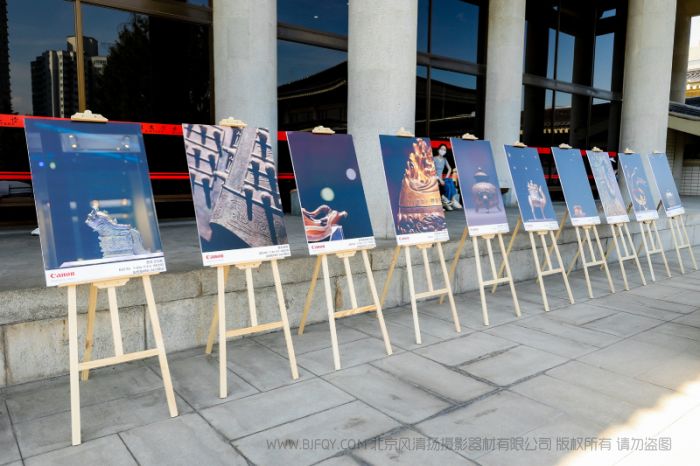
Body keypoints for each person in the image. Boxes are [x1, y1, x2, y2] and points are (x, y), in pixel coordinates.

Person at [433, 144, 462, 210]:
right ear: (438, 150)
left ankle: (452, 200)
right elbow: (432, 171)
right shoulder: (434, 158)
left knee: (450, 181)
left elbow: (450, 169)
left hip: (441, 179)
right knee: (447, 184)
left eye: (444, 150)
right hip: (435, 178)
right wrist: (440, 180)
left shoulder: (444, 159)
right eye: (441, 149)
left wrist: (446, 177)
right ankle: (448, 201)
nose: (443, 151)